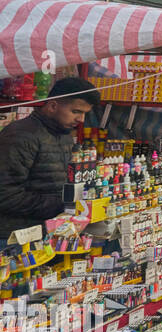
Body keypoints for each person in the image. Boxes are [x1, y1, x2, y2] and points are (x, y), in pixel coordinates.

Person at [0, 77, 98, 240]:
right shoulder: (21, 136)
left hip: (48, 232)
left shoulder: (64, 135)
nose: (81, 120)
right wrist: (63, 204)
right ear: (53, 106)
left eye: (84, 114)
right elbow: (5, 194)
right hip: (15, 237)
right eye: (76, 111)